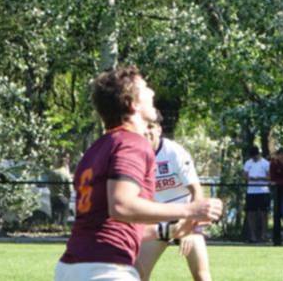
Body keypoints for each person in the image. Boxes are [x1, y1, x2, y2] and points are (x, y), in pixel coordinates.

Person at [56, 66, 222, 281]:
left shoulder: (97, 149)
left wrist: (166, 231)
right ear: (132, 104)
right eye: (145, 88)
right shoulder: (132, 143)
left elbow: (109, 225)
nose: (152, 93)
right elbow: (122, 206)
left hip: (72, 268)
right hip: (105, 271)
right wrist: (190, 209)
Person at [136, 112, 212, 281]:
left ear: (159, 130)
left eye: (151, 126)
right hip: (157, 221)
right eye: (143, 126)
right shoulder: (134, 156)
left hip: (186, 218)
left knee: (202, 275)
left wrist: (188, 226)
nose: (146, 131)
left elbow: (196, 191)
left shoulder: (174, 152)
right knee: (137, 274)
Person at [242, 147, 271, 244]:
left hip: (263, 191)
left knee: (264, 213)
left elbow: (269, 177)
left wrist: (260, 178)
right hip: (251, 191)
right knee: (251, 213)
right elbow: (245, 176)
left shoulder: (265, 163)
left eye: (255, 155)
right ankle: (253, 236)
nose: (254, 158)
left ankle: (264, 235)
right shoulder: (248, 163)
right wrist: (251, 178)